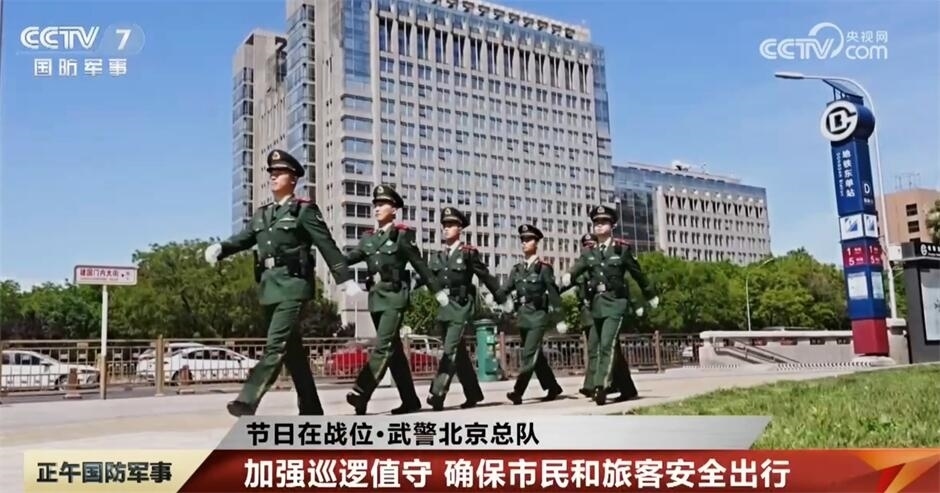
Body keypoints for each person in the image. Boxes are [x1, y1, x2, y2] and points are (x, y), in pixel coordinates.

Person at [204, 149, 362, 417]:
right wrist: (222, 248)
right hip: (269, 288)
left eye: (279, 173)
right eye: (272, 173)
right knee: (293, 352)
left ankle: (247, 400)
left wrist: (344, 278)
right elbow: (243, 239)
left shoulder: (303, 211)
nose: (273, 177)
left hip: (293, 286)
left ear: (293, 179)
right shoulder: (262, 215)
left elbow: (326, 244)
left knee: (275, 345)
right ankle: (311, 409)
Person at [344, 185, 448, 415]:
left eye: (382, 204)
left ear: (394, 210)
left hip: (394, 298)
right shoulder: (368, 239)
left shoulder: (401, 236)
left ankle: (361, 392)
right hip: (376, 299)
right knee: (394, 353)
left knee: (382, 346)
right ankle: (410, 400)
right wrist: (329, 260)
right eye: (375, 204)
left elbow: (420, 265)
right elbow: (349, 258)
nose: (377, 208)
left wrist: (437, 291)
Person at [561, 205, 659, 405]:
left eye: (604, 222)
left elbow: (637, 274)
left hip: (616, 303)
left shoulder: (621, 249)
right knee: (602, 346)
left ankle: (601, 386)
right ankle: (627, 388)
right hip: (597, 304)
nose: (599, 226)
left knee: (607, 344)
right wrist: (569, 275)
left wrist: (649, 295)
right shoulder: (589, 252)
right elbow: (578, 267)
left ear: (612, 225)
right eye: (596, 222)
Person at [418, 206, 505, 411]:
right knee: (459, 355)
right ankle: (473, 393)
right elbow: (425, 278)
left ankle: (437, 393)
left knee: (449, 350)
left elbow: (485, 276)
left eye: (451, 225)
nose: (446, 228)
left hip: (461, 307)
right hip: (444, 308)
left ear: (460, 229)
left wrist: (501, 297)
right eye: (444, 225)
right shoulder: (437, 257)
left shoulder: (468, 254)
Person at [497, 224, 566, 405]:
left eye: (528, 240)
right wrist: (495, 297)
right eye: (522, 240)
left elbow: (553, 293)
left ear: (536, 243)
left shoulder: (544, 268)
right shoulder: (517, 269)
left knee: (529, 354)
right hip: (523, 317)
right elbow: (506, 288)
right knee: (537, 356)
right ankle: (552, 387)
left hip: (537, 316)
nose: (524, 243)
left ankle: (518, 391)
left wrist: (559, 318)